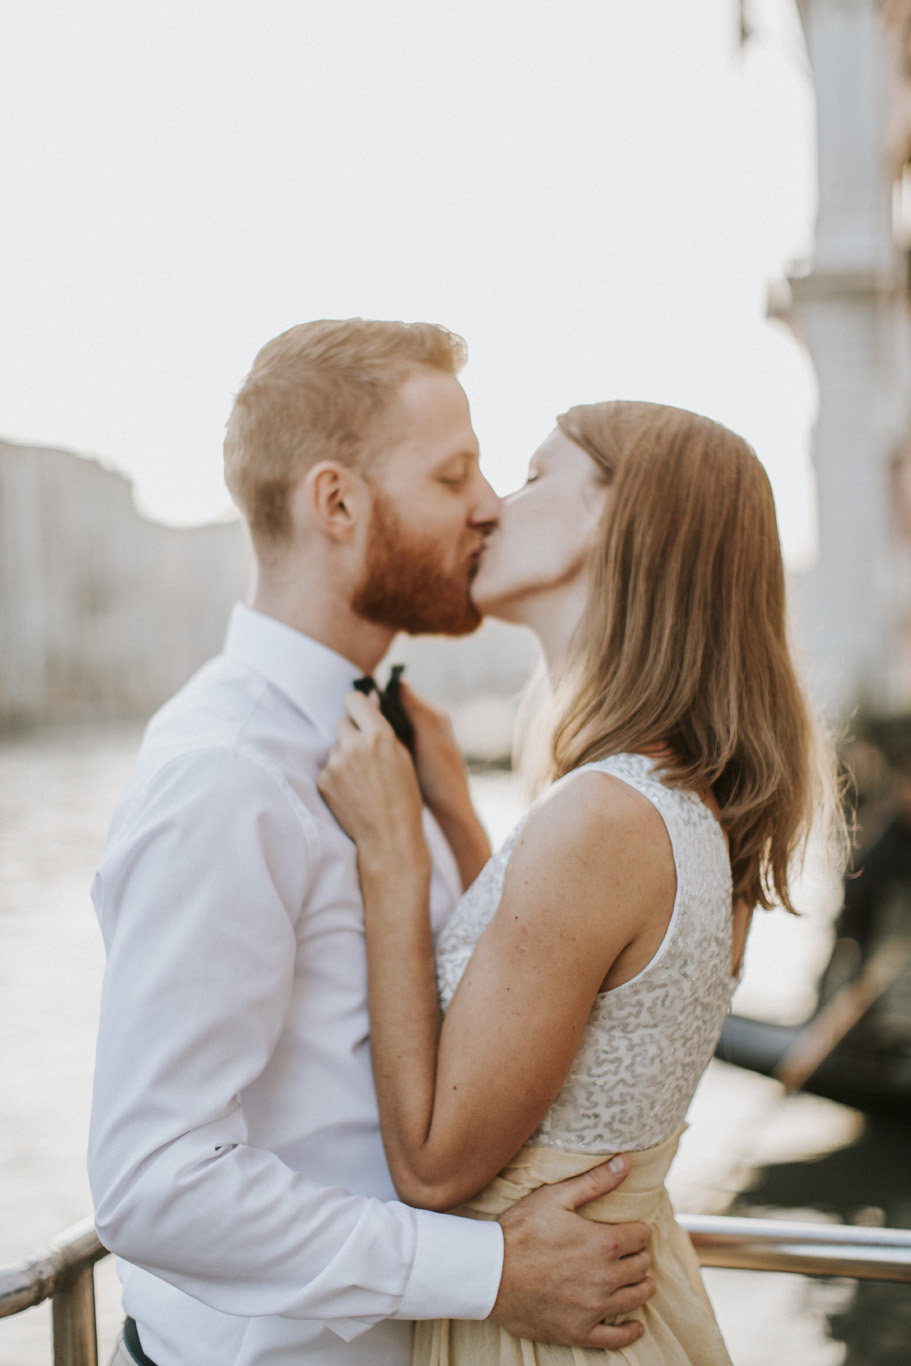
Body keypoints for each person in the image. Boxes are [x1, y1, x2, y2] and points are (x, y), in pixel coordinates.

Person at [88, 322, 656, 1366]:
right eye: (452, 475)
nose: (488, 504)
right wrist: (486, 1271)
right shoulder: (228, 775)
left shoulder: (389, 749)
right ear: (337, 504)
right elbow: (154, 1181)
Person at [319, 399, 834, 1365]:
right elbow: (546, 987)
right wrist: (462, 822)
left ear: (614, 514)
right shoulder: (674, 799)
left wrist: (395, 856)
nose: (489, 508)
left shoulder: (601, 819)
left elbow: (432, 1167)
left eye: (532, 475)